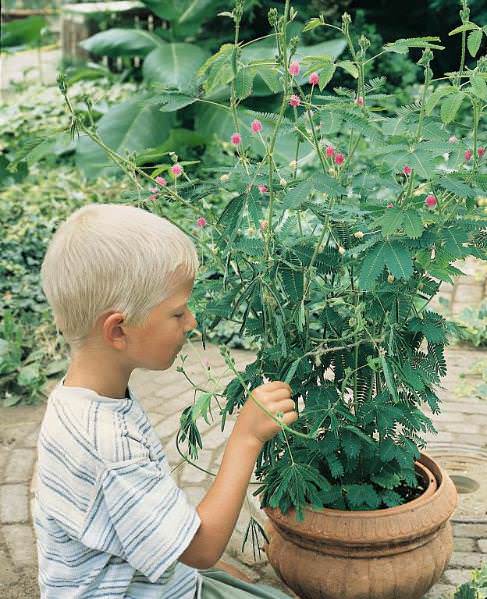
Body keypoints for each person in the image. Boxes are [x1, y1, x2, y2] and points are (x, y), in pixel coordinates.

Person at [34, 203, 298, 598]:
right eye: (177, 313)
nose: (191, 322)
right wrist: (246, 438)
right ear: (119, 330)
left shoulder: (80, 399)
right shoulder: (109, 446)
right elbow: (202, 549)